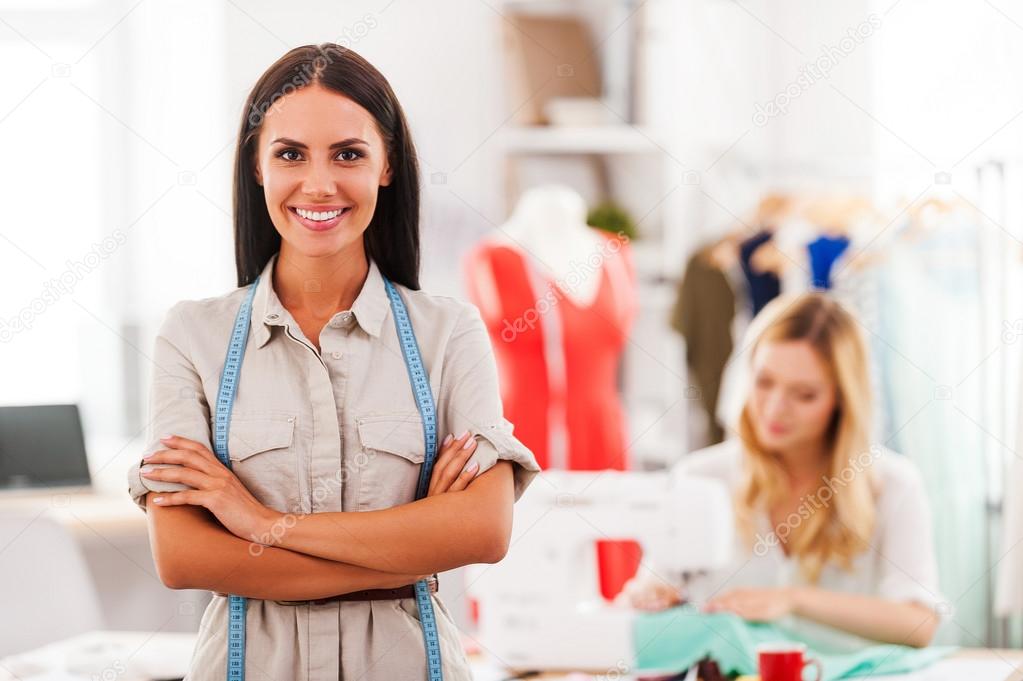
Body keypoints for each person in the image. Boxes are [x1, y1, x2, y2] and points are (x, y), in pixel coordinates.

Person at [125, 43, 540, 681]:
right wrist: (410, 551)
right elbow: (183, 557)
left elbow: (484, 531)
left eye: (348, 153)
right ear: (258, 168)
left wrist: (260, 523)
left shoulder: (448, 334)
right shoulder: (191, 336)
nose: (319, 184)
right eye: (290, 153)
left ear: (387, 166)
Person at [620, 293, 945, 651]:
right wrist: (647, 597)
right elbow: (652, 587)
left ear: (842, 398)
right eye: (764, 382)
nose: (775, 408)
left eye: (804, 395)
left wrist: (794, 599)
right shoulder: (700, 478)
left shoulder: (894, 484)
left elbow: (919, 622)